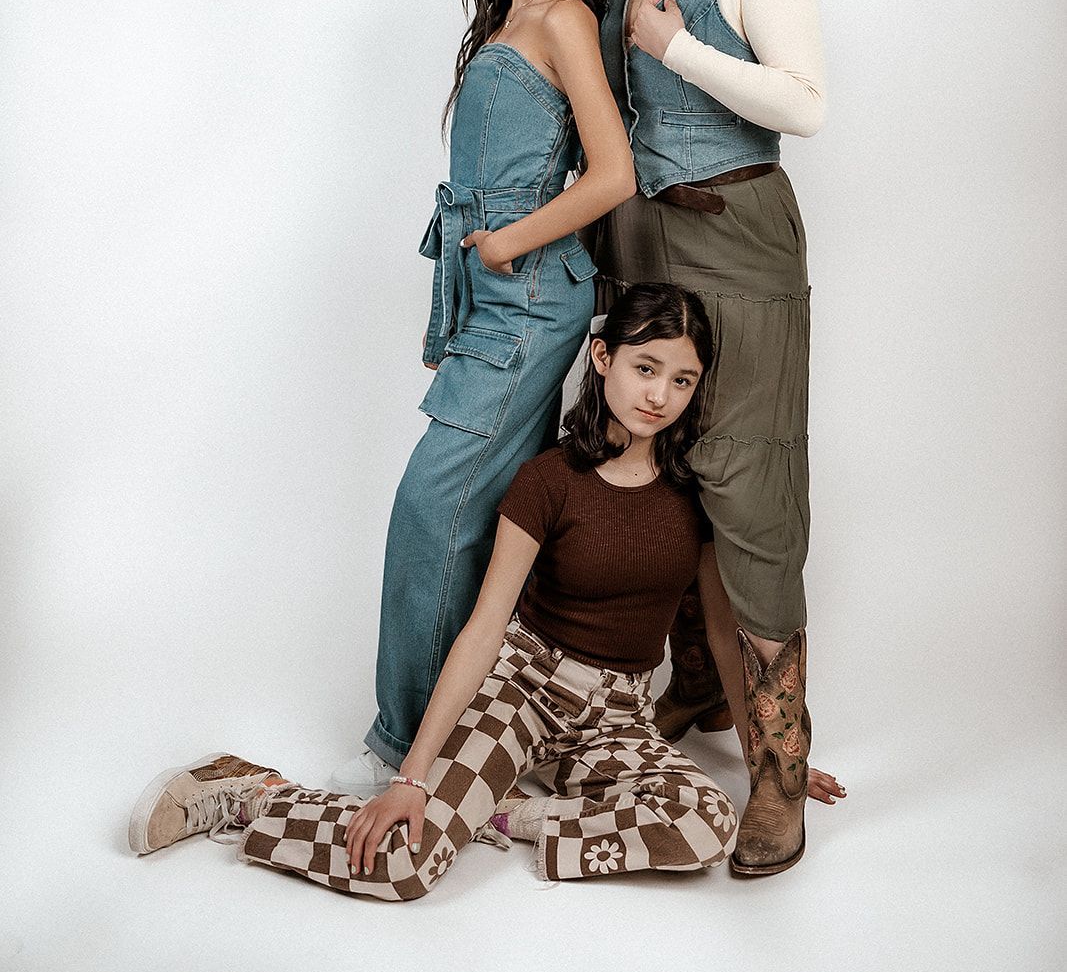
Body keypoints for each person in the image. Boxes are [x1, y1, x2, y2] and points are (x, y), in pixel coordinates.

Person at [128, 284, 740, 897]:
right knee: (402, 864)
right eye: (646, 367)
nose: (660, 396)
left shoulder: (697, 498)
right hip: (523, 691)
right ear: (603, 359)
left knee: (709, 823)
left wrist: (772, 765)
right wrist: (413, 777)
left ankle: (507, 816)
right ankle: (249, 795)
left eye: (683, 380)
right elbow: (485, 626)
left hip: (616, 715)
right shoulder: (548, 481)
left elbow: (720, 635)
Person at [590, 0, 842, 877]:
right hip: (639, 240)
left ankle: (778, 776)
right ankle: (698, 687)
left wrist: (675, 45)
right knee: (659, 464)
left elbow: (805, 103)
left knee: (746, 480)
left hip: (733, 232)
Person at [347, 0, 635, 785]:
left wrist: (507, 245)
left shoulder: (560, 18)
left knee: (432, 509)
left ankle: (408, 752)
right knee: (473, 511)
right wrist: (460, 299)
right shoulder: (506, 20)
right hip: (493, 302)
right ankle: (464, 732)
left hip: (529, 297)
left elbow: (613, 174)